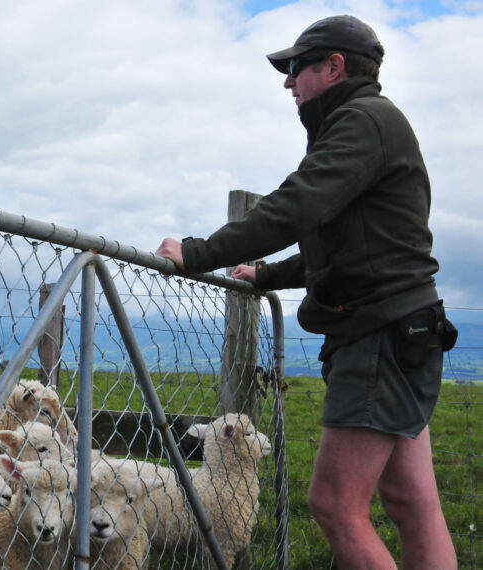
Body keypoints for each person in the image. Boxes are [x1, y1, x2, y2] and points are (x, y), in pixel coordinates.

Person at [156, 15, 458, 569]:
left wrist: (199, 253)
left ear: (333, 67)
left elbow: (296, 205)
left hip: (378, 336)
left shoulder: (361, 122)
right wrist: (265, 276)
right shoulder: (371, 123)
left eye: (296, 67)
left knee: (335, 505)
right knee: (413, 503)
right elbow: (348, 245)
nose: (287, 82)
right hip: (405, 328)